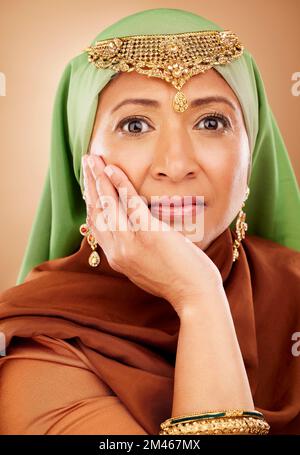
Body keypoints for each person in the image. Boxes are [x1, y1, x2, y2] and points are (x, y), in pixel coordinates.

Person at [0, 7, 299, 435]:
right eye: (135, 124)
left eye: (211, 122)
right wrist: (198, 298)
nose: (175, 165)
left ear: (254, 150)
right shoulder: (41, 346)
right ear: (80, 157)